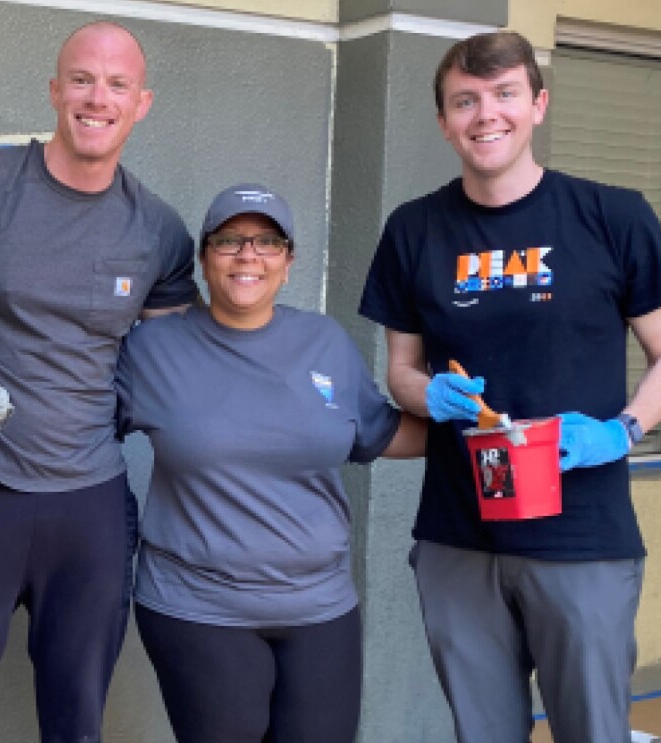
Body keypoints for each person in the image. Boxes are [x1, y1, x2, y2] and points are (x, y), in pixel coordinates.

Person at [358, 31, 661, 743]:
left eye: (505, 94)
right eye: (465, 101)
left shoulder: (613, 217)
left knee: (593, 732)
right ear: (444, 120)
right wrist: (428, 396)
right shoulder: (415, 230)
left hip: (584, 537)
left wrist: (621, 431)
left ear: (537, 103)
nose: (487, 114)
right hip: (459, 538)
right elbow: (401, 369)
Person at [0, 21, 198, 743]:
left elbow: (176, 362)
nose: (97, 97)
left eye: (117, 84)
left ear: (141, 103)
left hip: (90, 506)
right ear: (55, 91)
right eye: (82, 79)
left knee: (76, 725)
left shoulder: (158, 232)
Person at [114, 184, 427, 743]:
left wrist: (486, 428)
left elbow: (379, 432)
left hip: (321, 607)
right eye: (229, 240)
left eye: (266, 241)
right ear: (204, 260)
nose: (248, 255)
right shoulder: (153, 350)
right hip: (199, 606)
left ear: (288, 261)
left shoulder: (324, 342)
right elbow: (76, 428)